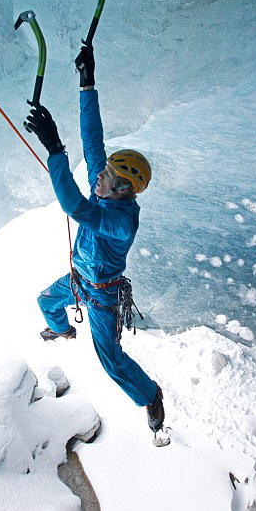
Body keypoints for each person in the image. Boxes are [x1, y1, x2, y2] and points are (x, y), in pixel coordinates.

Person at [24, 44, 165, 433]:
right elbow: (93, 142)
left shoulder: (120, 221)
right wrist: (88, 83)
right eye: (103, 172)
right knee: (46, 300)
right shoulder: (107, 190)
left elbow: (76, 208)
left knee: (111, 360)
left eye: (106, 176)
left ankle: (150, 396)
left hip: (102, 295)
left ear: (123, 191)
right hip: (80, 280)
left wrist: (54, 149)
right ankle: (63, 328)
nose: (98, 175)